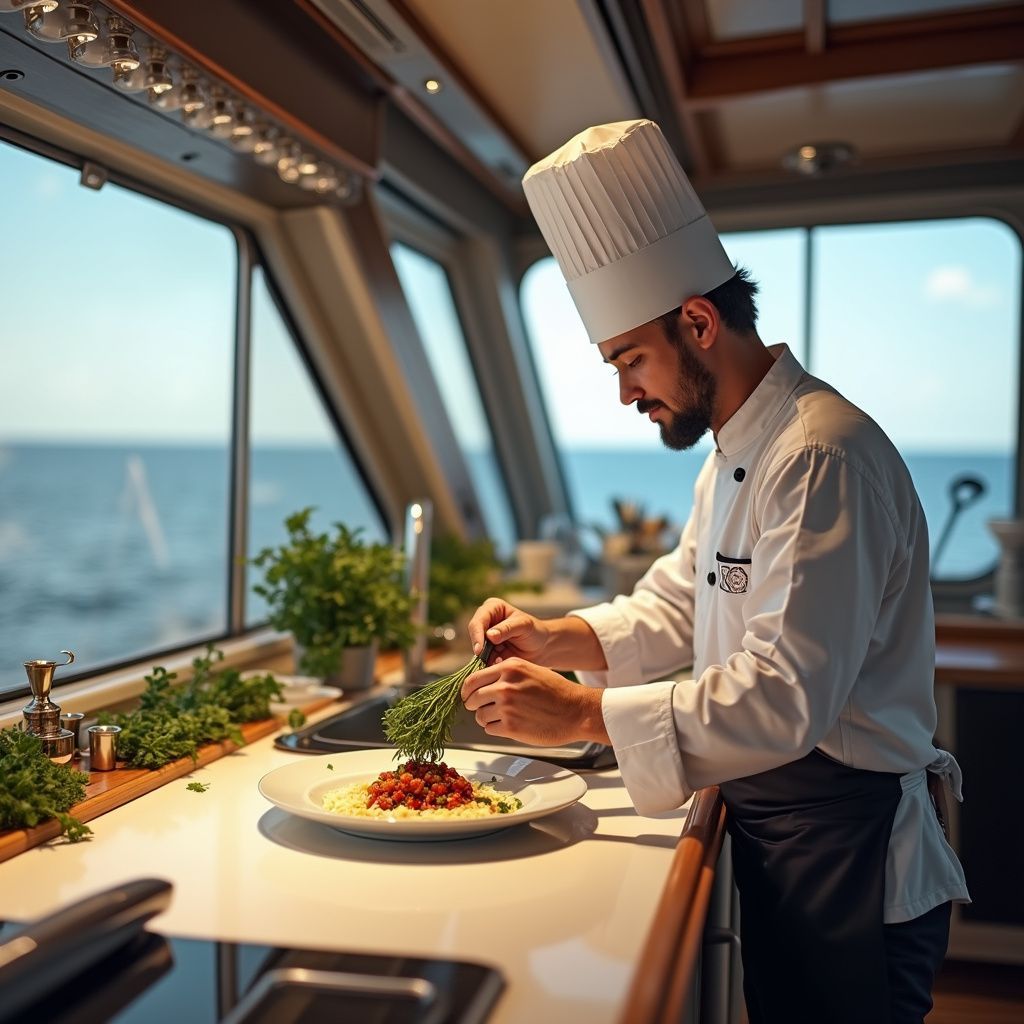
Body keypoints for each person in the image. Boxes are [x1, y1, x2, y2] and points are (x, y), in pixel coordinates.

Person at [461, 119, 970, 1024]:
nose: (624, 392)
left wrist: (584, 712)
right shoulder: (737, 447)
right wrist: (554, 636)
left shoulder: (821, 456)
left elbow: (785, 698)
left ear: (697, 322)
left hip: (847, 845)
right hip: (791, 825)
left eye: (630, 359)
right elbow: (675, 605)